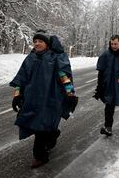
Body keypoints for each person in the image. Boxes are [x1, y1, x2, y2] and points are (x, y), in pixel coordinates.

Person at [10, 30, 78, 168]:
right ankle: (53, 134)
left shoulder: (56, 58)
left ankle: (40, 156)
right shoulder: (30, 58)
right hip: (32, 99)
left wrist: (70, 94)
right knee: (36, 124)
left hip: (51, 98)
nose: (37, 44)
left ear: (46, 43)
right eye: (35, 42)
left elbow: (64, 77)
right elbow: (21, 79)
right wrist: (17, 95)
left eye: (40, 41)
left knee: (41, 126)